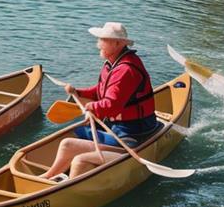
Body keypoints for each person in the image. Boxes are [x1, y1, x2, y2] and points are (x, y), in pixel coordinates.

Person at [43, 22, 159, 180]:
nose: (98, 44)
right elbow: (101, 91)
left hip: (131, 133)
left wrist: (91, 106)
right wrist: (78, 92)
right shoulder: (112, 64)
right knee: (74, 133)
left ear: (117, 43)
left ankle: (48, 178)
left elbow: (112, 107)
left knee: (67, 144)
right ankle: (54, 175)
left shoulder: (126, 70)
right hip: (116, 127)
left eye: (102, 40)